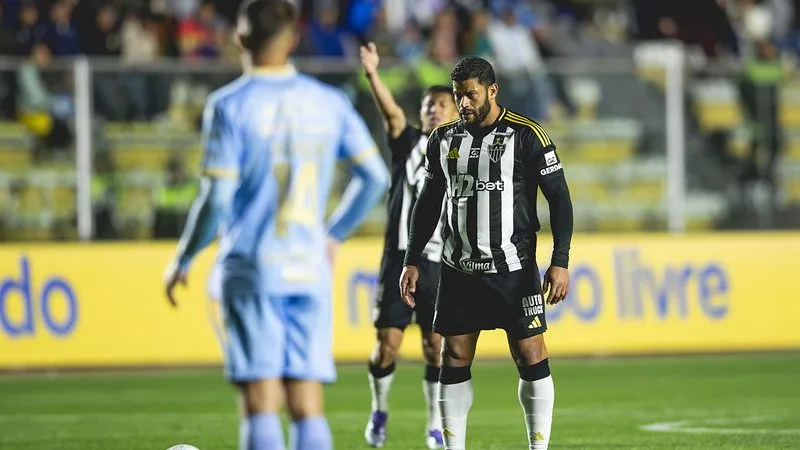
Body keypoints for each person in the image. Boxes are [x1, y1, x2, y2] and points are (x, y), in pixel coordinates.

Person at [163, 2, 390, 450]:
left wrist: (185, 256)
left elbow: (217, 198)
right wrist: (333, 234)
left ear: (240, 39)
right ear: (294, 39)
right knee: (307, 405)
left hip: (252, 268)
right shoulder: (329, 102)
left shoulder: (228, 106)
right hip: (309, 269)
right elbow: (375, 178)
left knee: (262, 402)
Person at [399, 56, 574, 450]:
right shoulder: (442, 140)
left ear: (492, 91)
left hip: (514, 267)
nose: (463, 104)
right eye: (459, 96)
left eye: (471, 95)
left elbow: (560, 199)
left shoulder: (528, 135)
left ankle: (538, 446)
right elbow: (428, 202)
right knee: (453, 355)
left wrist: (559, 261)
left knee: (530, 353)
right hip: (459, 268)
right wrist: (412, 258)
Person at [359, 42, 459, 449]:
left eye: (441, 104)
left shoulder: (462, 153)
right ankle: (379, 410)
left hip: (439, 261)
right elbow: (391, 113)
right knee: (387, 346)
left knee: (434, 347)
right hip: (399, 257)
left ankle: (435, 424)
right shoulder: (408, 143)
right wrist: (373, 76)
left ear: (454, 112)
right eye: (428, 104)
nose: (433, 109)